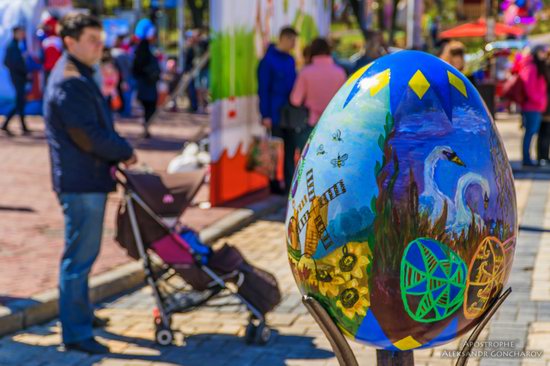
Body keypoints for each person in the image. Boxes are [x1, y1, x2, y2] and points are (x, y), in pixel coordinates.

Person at [43, 13, 137, 354]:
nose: (100, 46)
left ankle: (81, 315)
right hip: (81, 181)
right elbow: (87, 136)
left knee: (84, 254)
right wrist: (124, 150)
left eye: (101, 39)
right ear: (70, 42)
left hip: (86, 178)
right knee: (78, 258)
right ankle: (76, 332)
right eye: (93, 40)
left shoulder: (79, 74)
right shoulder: (70, 80)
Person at [289, 38, 346, 166]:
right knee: (330, 165)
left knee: (309, 165)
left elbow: (295, 100)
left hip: (310, 125)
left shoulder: (306, 72)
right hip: (334, 125)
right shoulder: (340, 72)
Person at [257, 26, 298, 194]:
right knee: (274, 149)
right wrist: (265, 114)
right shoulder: (267, 61)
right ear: (284, 39)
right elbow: (263, 89)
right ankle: (273, 184)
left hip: (289, 113)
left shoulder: (290, 60)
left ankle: (289, 184)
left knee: (290, 149)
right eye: (292, 40)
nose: (294, 44)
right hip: (274, 112)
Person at [519, 45, 548, 166]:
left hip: (535, 106)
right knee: (530, 133)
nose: (544, 54)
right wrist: (539, 101)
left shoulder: (536, 66)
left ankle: (528, 159)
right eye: (542, 51)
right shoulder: (531, 67)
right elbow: (529, 88)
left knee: (531, 133)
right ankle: (526, 159)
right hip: (531, 106)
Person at [132, 18, 160, 138]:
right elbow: (138, 66)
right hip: (146, 83)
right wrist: (149, 74)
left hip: (148, 83)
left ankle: (146, 126)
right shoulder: (143, 47)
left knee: (150, 106)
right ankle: (146, 127)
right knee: (149, 106)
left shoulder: (146, 47)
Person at [1, 26, 30, 135]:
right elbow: (8, 62)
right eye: (21, 32)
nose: (23, 35)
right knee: (19, 102)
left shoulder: (17, 45)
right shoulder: (12, 46)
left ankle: (22, 126)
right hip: (18, 78)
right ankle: (7, 124)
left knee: (21, 102)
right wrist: (20, 72)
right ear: (16, 33)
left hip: (20, 77)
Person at [111, 35, 134, 117]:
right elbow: (129, 66)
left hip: (118, 78)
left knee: (119, 95)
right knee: (126, 96)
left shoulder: (114, 52)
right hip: (124, 77)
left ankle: (121, 111)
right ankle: (125, 112)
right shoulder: (122, 53)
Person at [537, 50, 550, 165]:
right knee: (545, 132)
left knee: (544, 132)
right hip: (545, 106)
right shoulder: (544, 68)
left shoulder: (543, 67)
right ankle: (543, 156)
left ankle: (543, 156)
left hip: (543, 105)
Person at [100, 48, 120, 112]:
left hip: (104, 88)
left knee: (105, 105)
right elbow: (116, 77)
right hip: (110, 89)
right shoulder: (112, 67)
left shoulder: (101, 67)